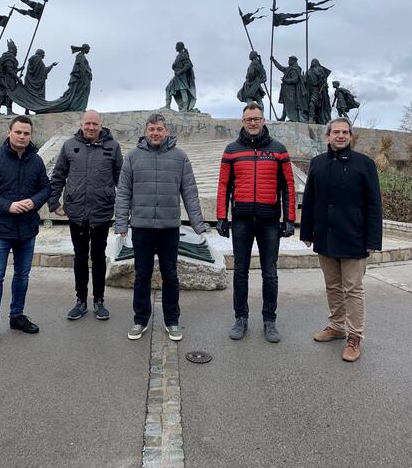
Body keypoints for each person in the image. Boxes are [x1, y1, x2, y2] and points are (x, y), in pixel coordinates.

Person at [114, 113, 205, 341]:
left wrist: (199, 226)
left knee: (171, 276)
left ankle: (172, 321)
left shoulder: (180, 157)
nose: (156, 133)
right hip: (142, 227)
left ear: (166, 132)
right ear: (146, 131)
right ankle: (140, 320)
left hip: (169, 228)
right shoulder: (133, 157)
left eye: (159, 129)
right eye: (152, 129)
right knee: (142, 275)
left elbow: (190, 194)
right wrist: (121, 224)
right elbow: (123, 193)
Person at [300, 117, 382, 362]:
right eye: (336, 132)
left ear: (350, 136)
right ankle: (336, 326)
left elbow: (374, 205)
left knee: (353, 289)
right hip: (326, 237)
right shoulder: (317, 163)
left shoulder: (364, 164)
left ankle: (354, 336)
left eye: (345, 132)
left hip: (354, 238)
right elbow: (310, 200)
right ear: (328, 136)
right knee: (333, 286)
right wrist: (306, 232)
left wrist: (373, 239)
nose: (341, 136)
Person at [216, 102, 296, 342]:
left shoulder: (279, 150)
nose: (253, 122)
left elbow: (288, 186)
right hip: (241, 221)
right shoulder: (231, 150)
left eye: (257, 118)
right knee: (240, 272)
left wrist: (289, 219)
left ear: (263, 121)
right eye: (249, 119)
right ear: (243, 121)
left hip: (269, 222)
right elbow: (223, 185)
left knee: (270, 274)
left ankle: (269, 321)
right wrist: (222, 217)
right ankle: (240, 318)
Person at [0, 116, 51, 349]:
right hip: (0, 229)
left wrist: (33, 201)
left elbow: (46, 188)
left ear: (30, 135)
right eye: (18, 132)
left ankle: (17, 316)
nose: (22, 137)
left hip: (27, 229)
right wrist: (7, 205)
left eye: (26, 133)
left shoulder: (36, 161)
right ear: (9, 132)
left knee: (22, 276)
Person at [48, 110, 123, 320]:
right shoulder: (70, 146)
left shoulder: (113, 147)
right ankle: (81, 300)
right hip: (77, 213)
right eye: (87, 123)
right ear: (82, 124)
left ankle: (99, 300)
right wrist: (54, 202)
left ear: (100, 125)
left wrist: (125, 209)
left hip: (101, 211)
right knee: (80, 257)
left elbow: (121, 179)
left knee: (98, 257)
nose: (91, 127)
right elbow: (58, 175)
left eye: (94, 124)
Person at [271, 55, 308, 122]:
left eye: (289, 60)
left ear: (293, 61)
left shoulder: (295, 69)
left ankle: (294, 118)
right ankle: (283, 118)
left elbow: (295, 79)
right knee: (286, 104)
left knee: (291, 106)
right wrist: (274, 61)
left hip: (292, 92)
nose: (288, 61)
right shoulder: (289, 68)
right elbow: (281, 68)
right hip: (287, 91)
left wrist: (286, 80)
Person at [165, 42, 197, 111]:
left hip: (182, 76)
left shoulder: (184, 55)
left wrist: (180, 71)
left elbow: (188, 65)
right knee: (168, 88)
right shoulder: (178, 56)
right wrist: (173, 66)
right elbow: (177, 65)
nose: (175, 47)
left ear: (180, 47)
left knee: (183, 90)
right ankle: (167, 105)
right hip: (176, 76)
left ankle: (185, 107)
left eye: (176, 46)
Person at [305, 58, 331, 124]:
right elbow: (305, 81)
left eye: (313, 61)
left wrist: (321, 79)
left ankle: (311, 118)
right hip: (309, 90)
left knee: (312, 103)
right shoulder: (308, 71)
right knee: (309, 104)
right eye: (311, 61)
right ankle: (312, 118)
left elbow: (323, 79)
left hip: (317, 89)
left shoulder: (319, 69)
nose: (312, 62)